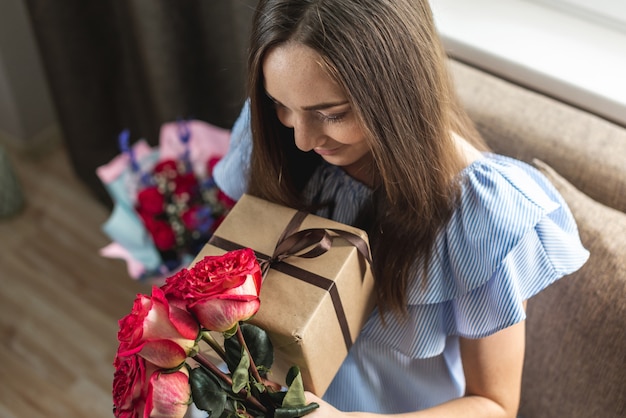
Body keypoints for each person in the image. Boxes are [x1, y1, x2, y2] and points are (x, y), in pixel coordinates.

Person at [213, 0, 589, 416]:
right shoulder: (276, 140)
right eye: (281, 105)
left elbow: (495, 404)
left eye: (331, 114)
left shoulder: (478, 213)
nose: (302, 138)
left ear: (397, 93)